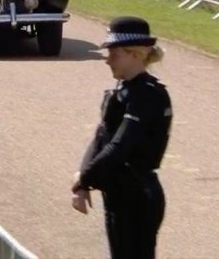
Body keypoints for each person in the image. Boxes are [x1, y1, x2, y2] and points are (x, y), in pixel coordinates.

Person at [72, 16, 172, 259]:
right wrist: (83, 177)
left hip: (137, 196)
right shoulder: (122, 92)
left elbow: (120, 146)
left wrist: (85, 180)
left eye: (114, 54)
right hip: (118, 193)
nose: (107, 60)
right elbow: (101, 136)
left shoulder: (148, 96)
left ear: (136, 54)